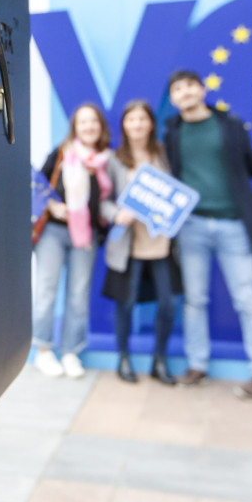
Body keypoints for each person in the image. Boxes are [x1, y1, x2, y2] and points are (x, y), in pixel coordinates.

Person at [163, 70, 252, 399]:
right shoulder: (172, 131)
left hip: (234, 224)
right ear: (173, 99)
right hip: (191, 227)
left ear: (201, 89)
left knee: (248, 299)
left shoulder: (230, 124)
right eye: (177, 89)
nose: (184, 93)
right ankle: (197, 365)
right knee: (195, 300)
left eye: (189, 86)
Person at [102, 100, 182, 385]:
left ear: (151, 123)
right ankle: (123, 357)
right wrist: (115, 213)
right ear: (124, 124)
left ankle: (159, 359)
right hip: (129, 244)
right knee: (125, 302)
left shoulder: (163, 153)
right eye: (131, 119)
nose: (137, 124)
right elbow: (101, 201)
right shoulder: (114, 158)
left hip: (162, 244)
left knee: (169, 303)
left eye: (142, 119)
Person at [33, 103, 114, 379]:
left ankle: (70, 352)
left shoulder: (106, 160)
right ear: (75, 128)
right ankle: (43, 350)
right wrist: (53, 207)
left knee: (78, 296)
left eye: (94, 122)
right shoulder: (61, 154)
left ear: (101, 127)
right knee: (46, 290)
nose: (89, 126)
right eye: (83, 122)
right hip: (53, 233)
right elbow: (37, 185)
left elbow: (107, 202)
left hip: (86, 235)